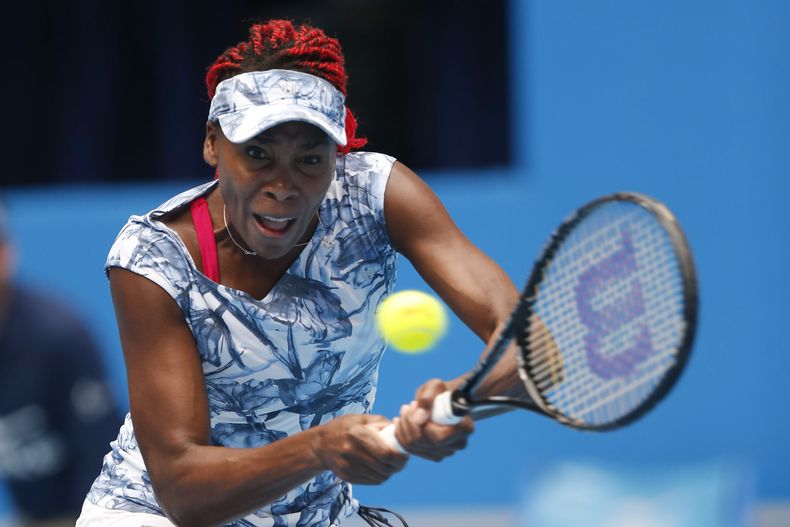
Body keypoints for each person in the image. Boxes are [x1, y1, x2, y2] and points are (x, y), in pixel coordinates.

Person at [77, 19, 523, 527]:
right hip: (153, 513)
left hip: (319, 515)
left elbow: (526, 346)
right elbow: (183, 492)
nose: (283, 185)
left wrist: (456, 402)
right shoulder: (154, 258)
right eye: (257, 155)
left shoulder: (376, 195)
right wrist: (319, 448)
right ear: (212, 145)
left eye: (309, 159)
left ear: (338, 155)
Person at [0, 200, 121, 527]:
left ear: (6, 255)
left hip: (87, 513)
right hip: (28, 513)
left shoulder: (59, 334)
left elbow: (99, 453)